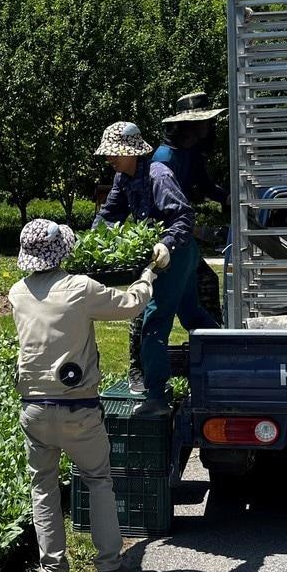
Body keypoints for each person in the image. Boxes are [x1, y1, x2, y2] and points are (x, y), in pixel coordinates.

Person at [8, 218, 169, 572]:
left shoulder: (17, 292)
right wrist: (148, 272)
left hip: (33, 406)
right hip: (78, 405)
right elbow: (130, 304)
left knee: (43, 486)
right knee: (98, 480)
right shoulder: (78, 288)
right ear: (62, 250)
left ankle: (53, 571)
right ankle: (109, 564)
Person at [94, 121, 204, 415]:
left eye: (115, 152)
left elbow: (183, 216)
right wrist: (90, 242)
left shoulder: (158, 174)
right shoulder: (123, 177)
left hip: (175, 254)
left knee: (153, 322)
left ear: (133, 152)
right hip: (167, 256)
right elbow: (109, 214)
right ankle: (227, 365)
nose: (110, 158)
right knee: (192, 314)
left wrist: (167, 244)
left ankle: (156, 396)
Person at [126, 92, 229, 392]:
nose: (209, 128)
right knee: (152, 305)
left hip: (181, 237)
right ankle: (139, 367)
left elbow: (205, 186)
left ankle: (214, 350)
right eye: (204, 123)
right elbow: (159, 208)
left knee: (201, 290)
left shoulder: (192, 153)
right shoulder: (162, 160)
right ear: (188, 126)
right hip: (165, 241)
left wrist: (227, 198)